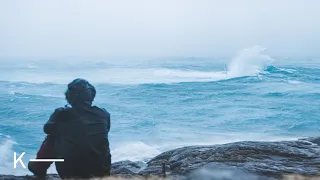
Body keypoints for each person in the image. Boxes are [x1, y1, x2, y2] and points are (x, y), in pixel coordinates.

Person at [28, 78, 111, 179]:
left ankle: (40, 166)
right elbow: (106, 130)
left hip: (70, 174)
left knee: (52, 136)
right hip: (102, 172)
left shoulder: (61, 113)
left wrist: (58, 118)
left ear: (70, 96)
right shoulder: (104, 114)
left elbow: (47, 129)